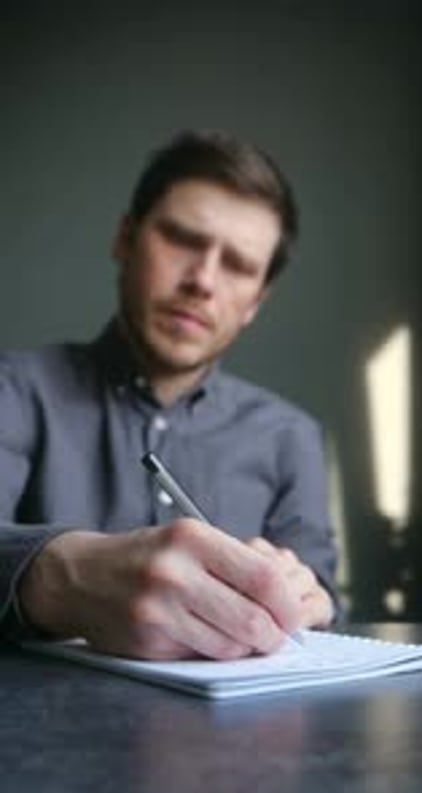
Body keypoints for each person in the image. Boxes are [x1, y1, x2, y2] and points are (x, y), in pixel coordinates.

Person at [0, 130, 336, 661]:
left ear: (255, 302)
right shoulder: (12, 389)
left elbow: (322, 590)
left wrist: (307, 594)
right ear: (125, 239)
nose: (203, 280)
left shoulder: (291, 436)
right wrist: (62, 576)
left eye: (239, 265)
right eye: (182, 238)